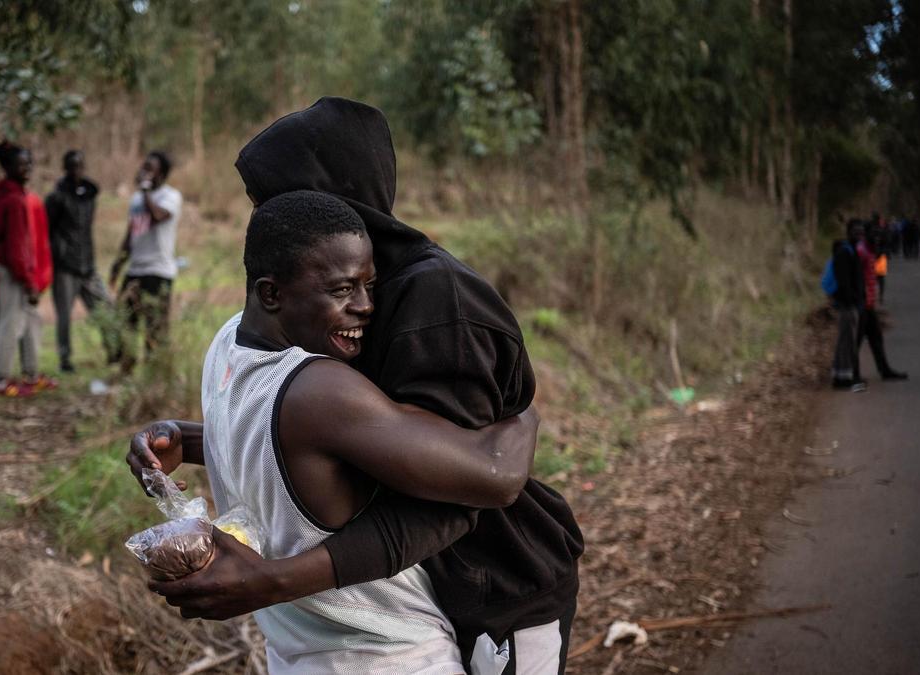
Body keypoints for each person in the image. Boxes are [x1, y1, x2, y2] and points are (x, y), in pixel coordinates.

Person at [129, 98, 584, 674]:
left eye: (271, 198)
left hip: (496, 583)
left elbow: (463, 491)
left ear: (338, 195)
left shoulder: (434, 301)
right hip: (413, 595)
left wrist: (274, 581)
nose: (269, 217)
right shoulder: (311, 314)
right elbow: (333, 440)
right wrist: (198, 438)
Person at [0, 142, 55, 397]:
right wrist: (28, 280)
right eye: (21, 164)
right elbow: (16, 246)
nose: (27, 168)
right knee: (10, 324)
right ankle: (1, 381)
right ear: (8, 167)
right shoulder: (13, 200)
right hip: (13, 270)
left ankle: (31, 374)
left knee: (30, 321)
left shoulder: (3, 193)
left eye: (29, 163)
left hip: (13, 269)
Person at [109, 151, 182, 373]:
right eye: (144, 166)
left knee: (155, 329)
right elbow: (132, 232)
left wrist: (146, 191)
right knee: (126, 324)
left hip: (158, 271)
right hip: (135, 271)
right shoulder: (137, 199)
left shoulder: (171, 197)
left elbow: (158, 217)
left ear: (162, 173)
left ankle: (155, 375)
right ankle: (126, 372)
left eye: (150, 167)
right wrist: (118, 263)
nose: (144, 170)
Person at [45, 150, 114, 373]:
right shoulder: (56, 198)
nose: (77, 170)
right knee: (64, 315)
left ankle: (113, 350)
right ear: (66, 168)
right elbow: (48, 230)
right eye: (72, 166)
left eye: (80, 166)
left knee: (103, 307)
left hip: (88, 264)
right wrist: (58, 254)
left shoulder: (89, 195)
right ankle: (65, 360)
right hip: (65, 267)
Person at [854, 222, 907, 382]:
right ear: (866, 235)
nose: (877, 238)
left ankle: (885, 370)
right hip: (861, 305)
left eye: (879, 235)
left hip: (869, 305)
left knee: (876, 338)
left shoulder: (870, 252)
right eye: (874, 235)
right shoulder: (862, 252)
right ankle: (854, 375)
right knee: (856, 341)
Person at [830, 221, 864, 391]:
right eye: (856, 232)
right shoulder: (845, 252)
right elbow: (845, 281)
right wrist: (852, 300)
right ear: (849, 232)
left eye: (861, 233)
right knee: (847, 342)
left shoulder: (850, 250)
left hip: (847, 304)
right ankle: (845, 378)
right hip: (846, 305)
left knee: (844, 340)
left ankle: (840, 376)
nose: (859, 235)